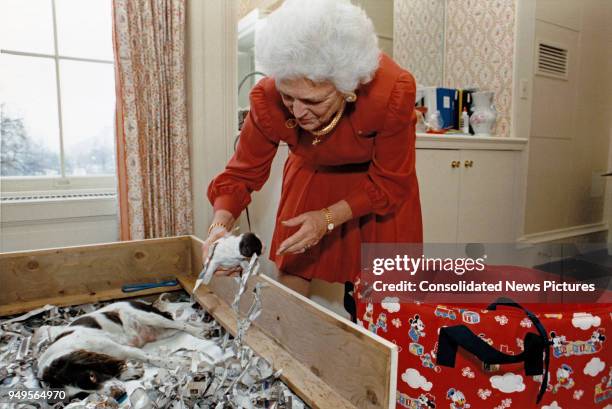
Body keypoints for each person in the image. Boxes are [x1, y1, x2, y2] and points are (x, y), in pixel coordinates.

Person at [204, 0, 422, 299]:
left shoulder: (391, 91)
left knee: (387, 295)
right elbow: (241, 173)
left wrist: (327, 218)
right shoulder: (268, 98)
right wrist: (219, 225)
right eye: (288, 97)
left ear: (349, 87)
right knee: (292, 273)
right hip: (312, 176)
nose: (298, 111)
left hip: (378, 187)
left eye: (313, 101)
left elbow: (390, 181)